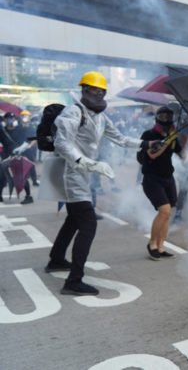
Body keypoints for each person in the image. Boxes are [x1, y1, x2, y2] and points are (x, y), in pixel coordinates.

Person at [44, 71, 154, 296]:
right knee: (88, 223)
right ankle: (74, 281)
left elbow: (120, 139)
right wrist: (86, 163)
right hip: (70, 174)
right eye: (94, 90)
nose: (98, 94)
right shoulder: (73, 112)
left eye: (102, 91)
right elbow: (62, 144)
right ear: (84, 90)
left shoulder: (100, 117)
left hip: (84, 175)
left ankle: (56, 259)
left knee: (73, 220)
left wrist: (147, 143)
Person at [138, 106, 185, 260]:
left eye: (168, 116)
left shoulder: (172, 135)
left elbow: (181, 154)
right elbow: (152, 155)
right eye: (163, 116)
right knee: (164, 210)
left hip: (168, 177)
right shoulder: (149, 135)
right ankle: (152, 244)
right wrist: (166, 141)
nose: (166, 119)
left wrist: (184, 141)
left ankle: (160, 246)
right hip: (152, 178)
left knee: (167, 213)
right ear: (157, 117)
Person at [2, 112, 35, 204]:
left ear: (15, 119)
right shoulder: (2, 130)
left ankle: (28, 196)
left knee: (21, 177)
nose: (10, 120)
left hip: (19, 156)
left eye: (12, 118)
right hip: (6, 156)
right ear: (4, 120)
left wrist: (24, 147)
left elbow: (31, 138)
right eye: (7, 118)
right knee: (2, 176)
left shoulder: (21, 129)